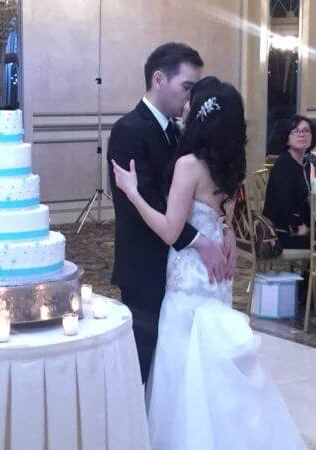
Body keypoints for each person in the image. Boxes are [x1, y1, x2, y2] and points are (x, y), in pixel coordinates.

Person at [112, 78, 305, 450]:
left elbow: (171, 230)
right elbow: (224, 217)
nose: (184, 107)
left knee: (182, 360)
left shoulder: (189, 164)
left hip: (189, 270)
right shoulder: (230, 164)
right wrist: (227, 236)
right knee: (212, 356)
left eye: (190, 102)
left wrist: (133, 192)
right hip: (217, 270)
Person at [107, 43, 238, 384]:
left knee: (183, 366)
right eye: (187, 87)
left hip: (181, 269)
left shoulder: (181, 132)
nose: (190, 98)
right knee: (147, 364)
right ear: (159, 79)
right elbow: (148, 203)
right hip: (148, 265)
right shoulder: (129, 130)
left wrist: (225, 229)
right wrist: (200, 241)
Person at [263, 115, 316, 249]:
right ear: (287, 138)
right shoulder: (284, 164)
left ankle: (305, 271)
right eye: (296, 131)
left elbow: (304, 201)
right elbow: (285, 202)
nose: (301, 134)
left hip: (295, 225)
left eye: (306, 131)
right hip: (280, 232)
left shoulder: (305, 163)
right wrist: (300, 225)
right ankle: (306, 271)